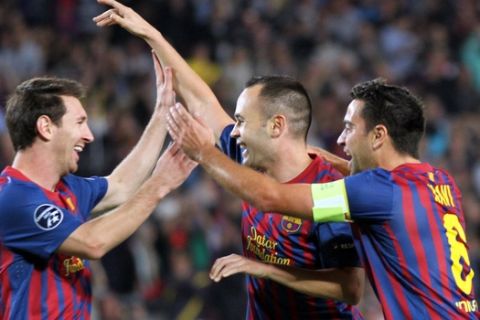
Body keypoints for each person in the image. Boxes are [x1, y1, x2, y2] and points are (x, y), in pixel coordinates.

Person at [94, 1, 365, 319]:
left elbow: (350, 288)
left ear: (276, 126)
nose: (233, 132)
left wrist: (265, 270)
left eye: (241, 121)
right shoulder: (249, 161)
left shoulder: (329, 191)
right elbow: (201, 100)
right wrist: (150, 34)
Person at [167, 79, 479, 319]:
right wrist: (335, 161)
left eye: (349, 128)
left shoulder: (374, 193)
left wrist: (204, 153)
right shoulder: (440, 181)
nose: (341, 138)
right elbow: (377, 188)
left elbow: (269, 196)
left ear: (379, 135)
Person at [0, 54, 197, 319]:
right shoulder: (14, 198)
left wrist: (162, 111)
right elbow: (93, 242)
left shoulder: (66, 189)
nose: (89, 135)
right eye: (80, 122)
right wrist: (159, 185)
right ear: (46, 127)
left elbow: (122, 185)